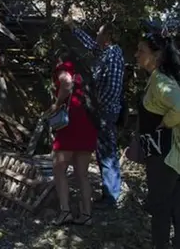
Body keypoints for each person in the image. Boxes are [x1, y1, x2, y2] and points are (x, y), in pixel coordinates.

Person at [134, 32, 180, 249]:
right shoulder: (157, 80)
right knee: (179, 208)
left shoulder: (161, 82)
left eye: (141, 51)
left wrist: (166, 123)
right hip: (172, 155)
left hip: (164, 157)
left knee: (160, 209)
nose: (136, 55)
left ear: (157, 55)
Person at [65, 16, 125, 208]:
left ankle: (111, 197)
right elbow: (91, 44)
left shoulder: (114, 55)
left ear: (107, 36)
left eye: (99, 32)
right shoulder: (105, 52)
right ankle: (110, 193)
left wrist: (98, 105)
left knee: (107, 153)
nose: (96, 35)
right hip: (102, 111)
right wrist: (73, 27)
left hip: (106, 112)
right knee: (103, 152)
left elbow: (113, 88)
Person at [46, 50, 98, 226]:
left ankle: (65, 211)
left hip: (71, 122)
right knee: (82, 174)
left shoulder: (64, 66)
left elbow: (66, 84)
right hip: (88, 121)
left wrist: (57, 104)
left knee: (59, 169)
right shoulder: (85, 69)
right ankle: (87, 215)